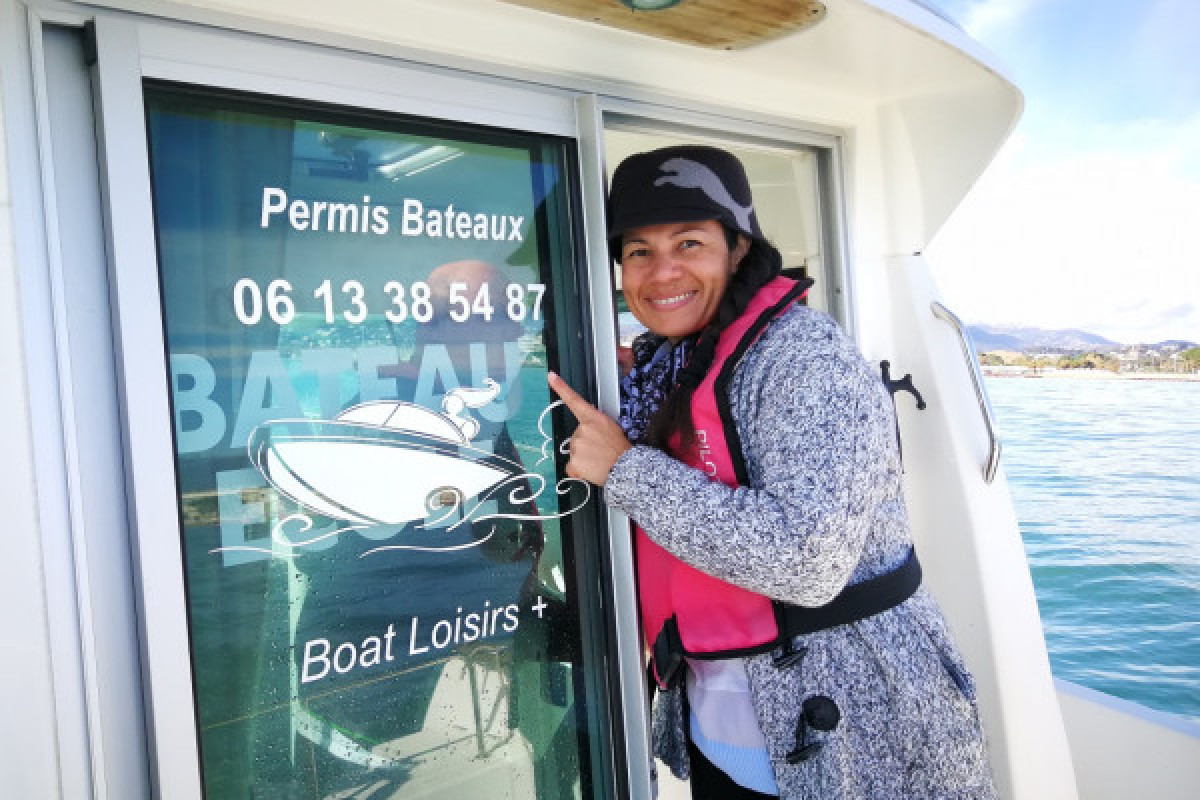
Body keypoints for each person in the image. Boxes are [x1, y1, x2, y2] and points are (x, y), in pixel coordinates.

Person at [547, 145, 996, 799]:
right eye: (638, 250)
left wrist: (625, 469)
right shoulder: (666, 365)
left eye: (690, 242)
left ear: (738, 250)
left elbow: (808, 561)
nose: (661, 270)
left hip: (856, 736)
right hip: (721, 727)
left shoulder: (804, 356)